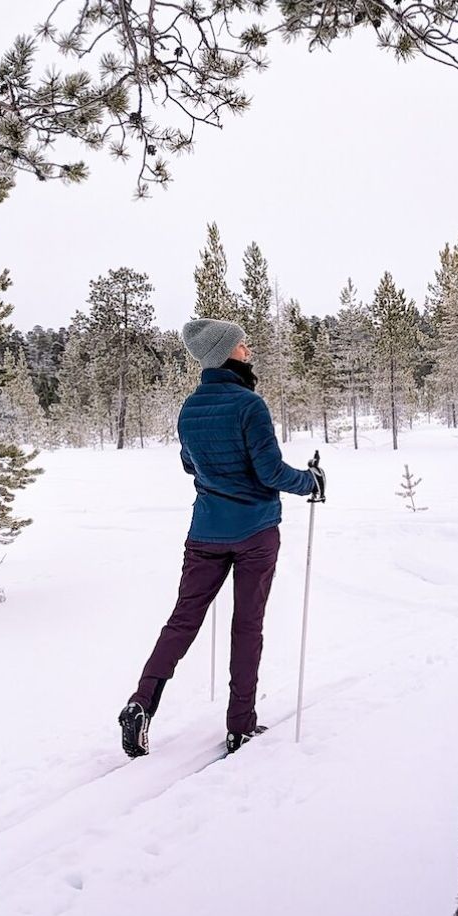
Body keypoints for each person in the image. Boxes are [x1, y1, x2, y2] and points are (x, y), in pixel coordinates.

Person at [118, 318, 327, 757]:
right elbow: (270, 472)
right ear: (225, 353)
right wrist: (311, 481)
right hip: (254, 532)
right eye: (241, 344)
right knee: (246, 625)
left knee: (183, 619)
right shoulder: (251, 405)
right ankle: (240, 726)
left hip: (206, 532)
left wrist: (220, 478)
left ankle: (141, 702)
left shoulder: (189, 409)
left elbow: (190, 467)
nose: (248, 349)